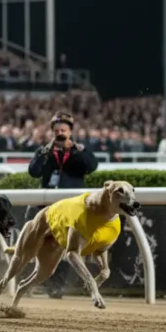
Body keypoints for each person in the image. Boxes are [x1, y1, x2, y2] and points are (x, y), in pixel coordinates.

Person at [27, 112, 99, 299]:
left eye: (63, 130)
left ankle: (56, 285)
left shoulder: (79, 150)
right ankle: (42, 282)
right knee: (43, 245)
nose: (60, 133)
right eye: (57, 130)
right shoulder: (45, 151)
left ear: (70, 132)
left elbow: (91, 167)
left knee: (66, 245)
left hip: (70, 208)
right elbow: (33, 171)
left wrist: (74, 148)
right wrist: (49, 149)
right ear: (52, 132)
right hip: (48, 206)